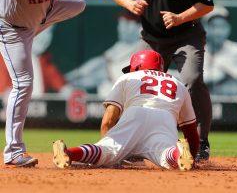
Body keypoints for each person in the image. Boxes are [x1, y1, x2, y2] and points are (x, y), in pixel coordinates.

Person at [0, 0, 110, 167]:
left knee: (78, 3)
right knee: (24, 84)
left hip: (36, 18)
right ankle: (13, 152)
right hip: (10, 28)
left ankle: (40, 20)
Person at [109, 0, 214, 162]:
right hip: (151, 38)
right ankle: (135, 143)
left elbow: (206, 5)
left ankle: (201, 142)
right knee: (139, 84)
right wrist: (129, 3)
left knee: (193, 80)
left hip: (186, 36)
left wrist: (179, 17)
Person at [53, 50, 199, 171]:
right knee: (166, 156)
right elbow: (190, 130)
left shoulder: (128, 77)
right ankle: (178, 152)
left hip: (136, 113)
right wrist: (192, 156)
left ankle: (69, 153)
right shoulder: (178, 83)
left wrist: (108, 143)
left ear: (137, 66)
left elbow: (109, 119)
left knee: (105, 151)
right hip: (165, 118)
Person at [65, 10, 142, 98]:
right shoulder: (120, 46)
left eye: (128, 23)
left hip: (127, 99)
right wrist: (68, 78)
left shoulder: (143, 49)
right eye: (121, 22)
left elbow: (102, 73)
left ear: (140, 27)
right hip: (106, 99)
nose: (123, 27)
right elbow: (97, 64)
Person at [201, 6, 237, 96]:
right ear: (205, 28)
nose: (218, 31)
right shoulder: (196, 51)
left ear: (229, 29)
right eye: (214, 26)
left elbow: (218, 76)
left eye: (223, 26)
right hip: (206, 103)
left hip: (231, 103)